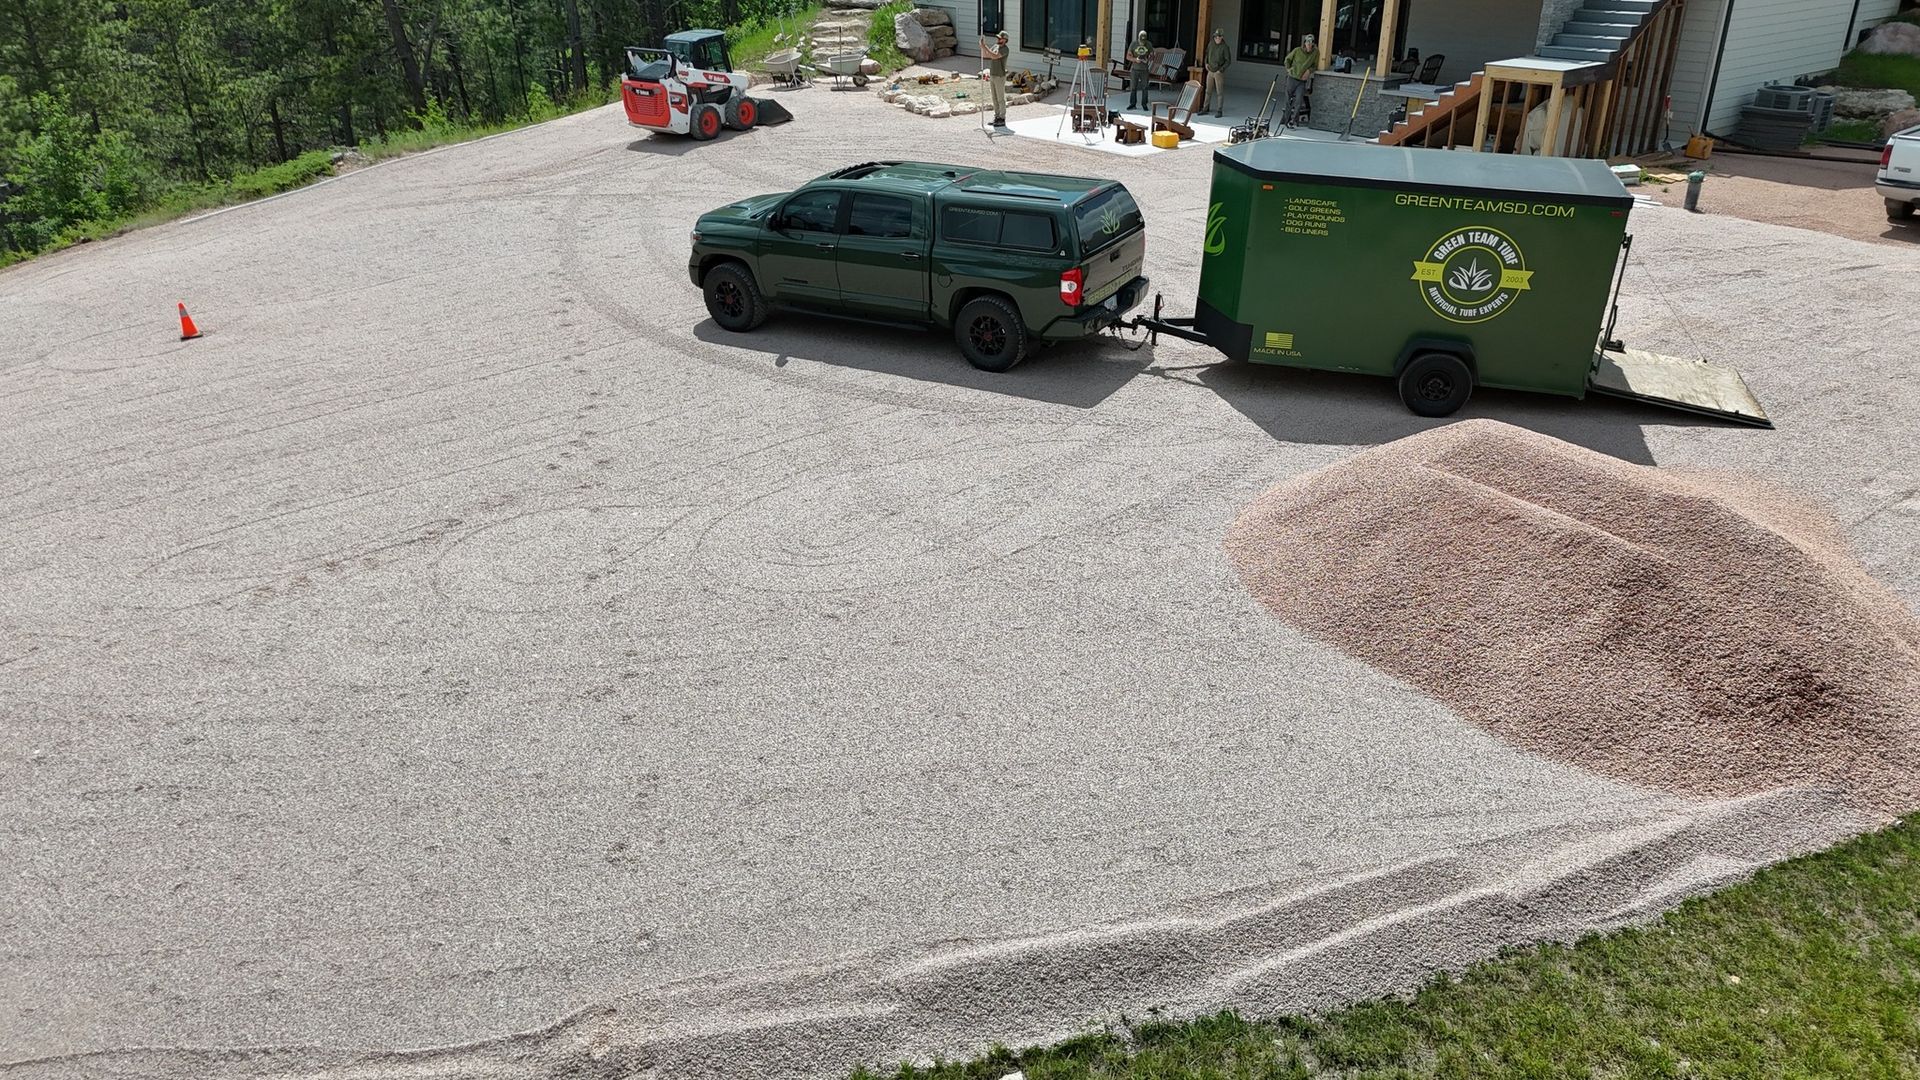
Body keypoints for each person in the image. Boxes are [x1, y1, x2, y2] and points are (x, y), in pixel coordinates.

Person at [1282, 33, 1317, 127]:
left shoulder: (1315, 53)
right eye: (1308, 42)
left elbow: (1315, 65)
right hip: (1292, 78)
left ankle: (1293, 121)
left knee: (1298, 101)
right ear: (1304, 43)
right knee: (1288, 99)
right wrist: (1288, 69)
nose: (1309, 44)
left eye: (1311, 42)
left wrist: (1309, 71)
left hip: (1302, 81)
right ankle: (1286, 119)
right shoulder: (1297, 50)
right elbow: (1287, 59)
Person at [983, 30, 1010, 127]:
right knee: (994, 98)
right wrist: (982, 46)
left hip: (999, 76)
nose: (998, 39)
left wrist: (985, 47)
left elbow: (994, 56)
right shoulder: (995, 46)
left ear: (1005, 40)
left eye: (1000, 38)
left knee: (1000, 98)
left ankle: (1002, 118)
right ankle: (997, 116)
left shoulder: (1005, 49)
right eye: (998, 37)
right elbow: (986, 55)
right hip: (993, 74)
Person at [1203, 28, 1231, 118]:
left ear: (1222, 37)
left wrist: (1221, 70)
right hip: (1210, 70)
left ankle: (1219, 110)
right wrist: (1206, 63)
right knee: (1208, 91)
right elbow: (1206, 54)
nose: (1217, 38)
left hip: (1219, 72)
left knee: (1220, 92)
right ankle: (1205, 108)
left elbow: (1228, 61)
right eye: (1215, 36)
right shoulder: (1211, 44)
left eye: (1218, 36)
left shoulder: (1225, 47)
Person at [1127, 31, 1153, 111]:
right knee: (1133, 87)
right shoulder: (1133, 44)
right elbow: (1128, 56)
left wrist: (1147, 60)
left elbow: (1152, 56)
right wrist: (1135, 59)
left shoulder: (1148, 44)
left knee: (1145, 87)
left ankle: (1144, 104)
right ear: (1138, 38)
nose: (1142, 43)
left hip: (1144, 70)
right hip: (1135, 69)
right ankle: (1132, 104)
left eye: (1144, 41)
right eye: (1141, 41)